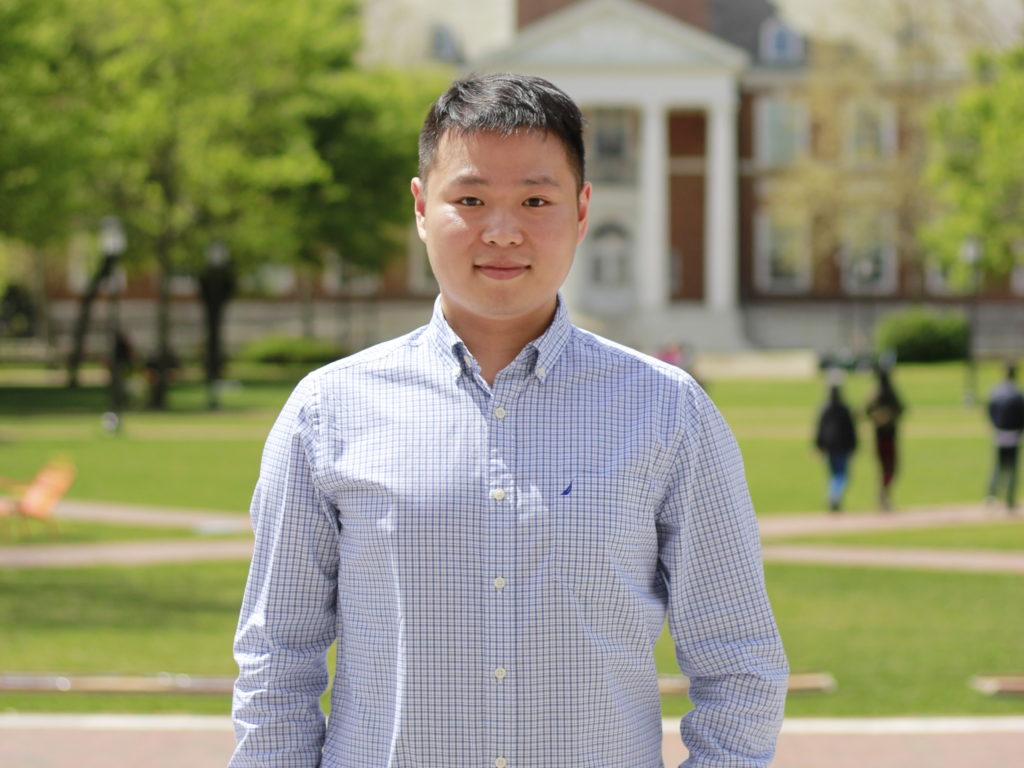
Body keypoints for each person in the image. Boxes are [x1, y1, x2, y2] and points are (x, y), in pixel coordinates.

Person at [229, 73, 787, 768]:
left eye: (534, 199)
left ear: (582, 210)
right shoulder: (327, 412)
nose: (502, 231)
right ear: (421, 208)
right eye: (470, 199)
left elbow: (740, 663)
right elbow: (276, 661)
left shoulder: (668, 413)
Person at [815, 375, 858, 512]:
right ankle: (834, 496)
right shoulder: (845, 408)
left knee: (835, 474)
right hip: (843, 446)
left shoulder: (824, 408)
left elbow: (820, 429)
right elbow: (851, 429)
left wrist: (819, 445)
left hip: (830, 446)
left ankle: (833, 496)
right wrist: (854, 445)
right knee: (841, 475)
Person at [865, 365, 904, 511]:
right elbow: (901, 409)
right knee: (890, 468)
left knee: (885, 469)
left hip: (882, 436)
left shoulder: (875, 392)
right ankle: (884, 496)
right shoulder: (888, 392)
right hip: (887, 436)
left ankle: (884, 495)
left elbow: (866, 411)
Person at [986, 362, 1024, 511]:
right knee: (1012, 468)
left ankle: (991, 496)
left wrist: (994, 425)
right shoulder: (1018, 393)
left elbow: (989, 409)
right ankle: (1009, 499)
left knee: (997, 466)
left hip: (999, 433)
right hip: (1014, 434)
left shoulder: (996, 391)